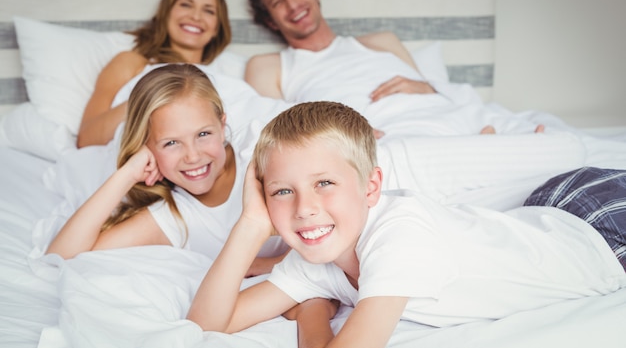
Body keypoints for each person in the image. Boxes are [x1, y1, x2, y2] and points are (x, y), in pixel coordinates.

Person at [187, 101, 625, 348]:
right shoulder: (315, 253)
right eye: (283, 191)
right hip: (545, 212)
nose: (304, 208)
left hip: (602, 231)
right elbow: (206, 324)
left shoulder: (398, 236)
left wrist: (313, 313)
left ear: (371, 186)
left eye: (324, 183)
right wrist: (249, 223)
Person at [243, 0, 544, 138]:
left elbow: (436, 89)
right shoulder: (269, 66)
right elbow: (275, 128)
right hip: (380, 137)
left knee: (552, 141)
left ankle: (486, 145)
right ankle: (487, 153)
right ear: (270, 20)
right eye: (277, 3)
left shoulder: (381, 42)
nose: (293, 5)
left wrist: (427, 87)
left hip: (441, 117)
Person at [47, 64, 288, 277]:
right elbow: (61, 256)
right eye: (171, 143)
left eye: (203, 134)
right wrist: (128, 173)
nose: (193, 156)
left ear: (222, 127)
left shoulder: (263, 156)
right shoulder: (172, 217)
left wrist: (272, 264)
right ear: (147, 147)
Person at [77, 0, 231, 148]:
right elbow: (86, 139)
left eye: (209, 11)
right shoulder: (132, 63)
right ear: (166, 12)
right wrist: (154, 96)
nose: (196, 16)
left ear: (217, 28)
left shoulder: (225, 80)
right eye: (186, 5)